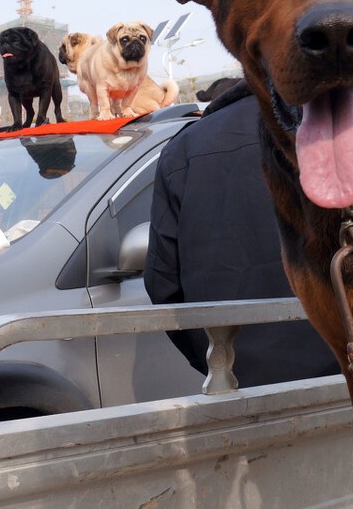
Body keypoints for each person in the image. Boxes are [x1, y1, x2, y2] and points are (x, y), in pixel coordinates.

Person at [145, 79, 339, 386]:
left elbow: (163, 285)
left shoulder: (184, 149)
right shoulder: (342, 132)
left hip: (237, 382)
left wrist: (215, 359)